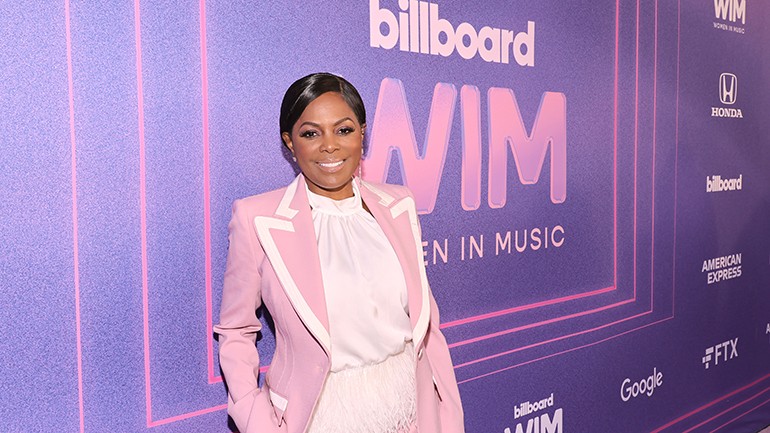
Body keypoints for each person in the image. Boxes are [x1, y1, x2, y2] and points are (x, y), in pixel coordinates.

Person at [214, 72, 464, 433]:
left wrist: (446, 415)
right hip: (319, 418)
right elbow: (236, 329)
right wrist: (255, 419)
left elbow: (427, 324)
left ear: (363, 134)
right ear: (289, 142)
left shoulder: (399, 203)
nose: (329, 146)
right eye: (311, 133)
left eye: (344, 130)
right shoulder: (257, 218)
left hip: (409, 409)